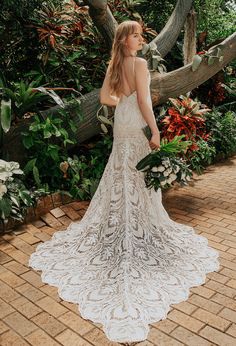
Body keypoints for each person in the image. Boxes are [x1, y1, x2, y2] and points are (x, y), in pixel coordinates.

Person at [29, 20, 220, 343]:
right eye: (136, 35)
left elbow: (106, 97)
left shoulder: (115, 65)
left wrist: (124, 103)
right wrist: (156, 130)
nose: (140, 39)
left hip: (121, 122)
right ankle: (139, 225)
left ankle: (121, 225)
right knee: (138, 173)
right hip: (136, 121)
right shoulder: (142, 64)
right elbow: (146, 102)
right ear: (125, 39)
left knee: (122, 169)